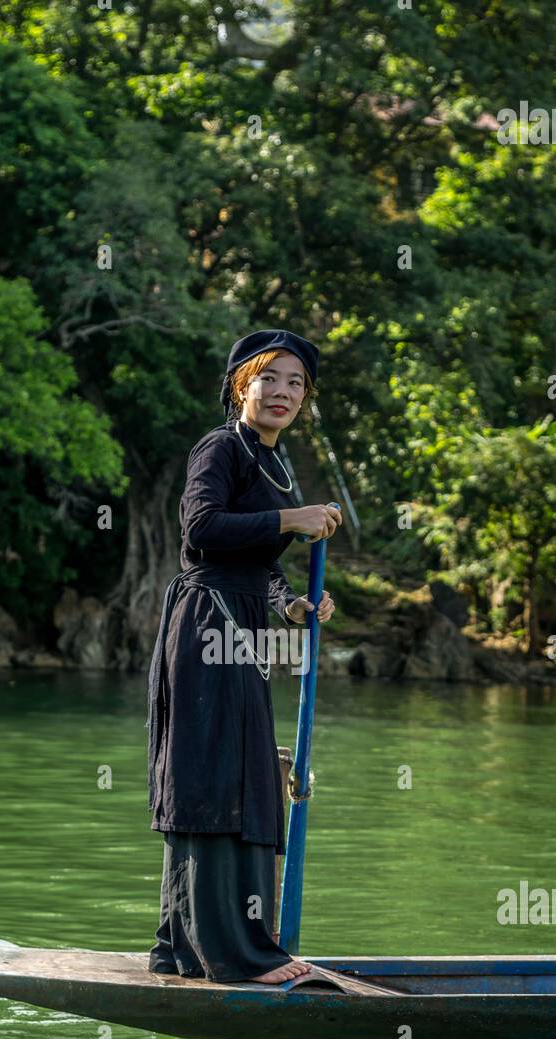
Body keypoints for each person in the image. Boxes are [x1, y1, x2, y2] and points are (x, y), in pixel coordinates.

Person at [146, 329, 340, 984]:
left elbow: (259, 566)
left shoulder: (277, 466)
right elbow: (201, 529)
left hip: (246, 626)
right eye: (271, 379)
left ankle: (194, 948)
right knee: (210, 777)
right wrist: (293, 521)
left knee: (250, 777)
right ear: (242, 386)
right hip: (205, 623)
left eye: (296, 384)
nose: (283, 392)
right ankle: (231, 957)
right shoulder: (220, 448)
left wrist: (292, 606)